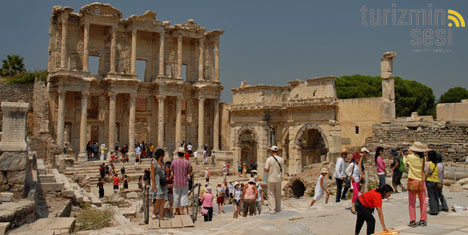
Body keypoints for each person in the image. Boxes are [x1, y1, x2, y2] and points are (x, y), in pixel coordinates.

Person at [404, 141, 431, 227]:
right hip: (421, 181)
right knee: (422, 202)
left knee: (412, 202)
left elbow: (405, 163)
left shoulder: (409, 157)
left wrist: (406, 155)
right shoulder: (423, 158)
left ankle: (412, 220)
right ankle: (423, 220)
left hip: (412, 181)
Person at [170, 147, 192, 215]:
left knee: (176, 196)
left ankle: (176, 211)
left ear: (178, 154)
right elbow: (189, 172)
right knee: (184, 196)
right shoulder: (187, 162)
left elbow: (171, 172)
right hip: (184, 182)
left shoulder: (174, 162)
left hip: (176, 182)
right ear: (184, 154)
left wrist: (174, 177)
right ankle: (182, 211)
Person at [264, 146, 285, 214]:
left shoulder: (269, 159)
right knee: (278, 194)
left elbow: (266, 169)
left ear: (271, 151)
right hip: (278, 179)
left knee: (271, 194)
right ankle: (278, 208)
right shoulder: (281, 159)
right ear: (277, 151)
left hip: (271, 179)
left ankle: (272, 210)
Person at [151, 148, 168, 220]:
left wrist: (166, 171)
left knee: (163, 199)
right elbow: (152, 174)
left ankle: (161, 215)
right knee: (158, 199)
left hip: (163, 181)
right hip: (157, 181)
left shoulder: (163, 163)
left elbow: (163, 171)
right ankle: (154, 212)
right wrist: (153, 184)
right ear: (160, 155)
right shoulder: (154, 163)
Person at [426, 151, 440, 215]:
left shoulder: (428, 163)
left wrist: (424, 178)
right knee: (435, 195)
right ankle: (437, 208)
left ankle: (433, 210)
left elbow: (427, 173)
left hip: (430, 180)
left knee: (431, 196)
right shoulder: (436, 164)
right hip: (436, 181)